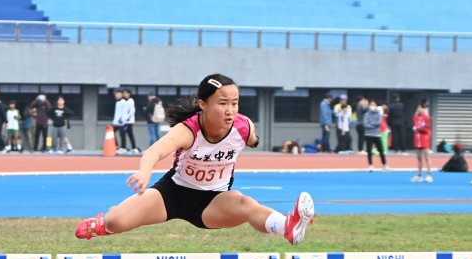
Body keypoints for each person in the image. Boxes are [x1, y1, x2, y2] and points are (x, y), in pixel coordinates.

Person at [74, 74, 314, 246]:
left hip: (214, 201)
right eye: (222, 104)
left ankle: (288, 227)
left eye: (234, 103)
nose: (230, 110)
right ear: (203, 105)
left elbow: (253, 140)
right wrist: (145, 172)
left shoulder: (244, 127)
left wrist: (253, 140)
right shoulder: (188, 130)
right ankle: (100, 224)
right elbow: (155, 151)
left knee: (245, 204)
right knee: (117, 220)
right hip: (172, 193)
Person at [362, 99, 388, 171]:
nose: (372, 106)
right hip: (368, 134)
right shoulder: (366, 114)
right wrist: (373, 125)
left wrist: (371, 124)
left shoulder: (379, 114)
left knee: (381, 150)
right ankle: (370, 165)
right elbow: (365, 124)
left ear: (376, 106)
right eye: (371, 105)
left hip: (377, 134)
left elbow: (378, 123)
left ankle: (384, 165)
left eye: (373, 105)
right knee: (369, 151)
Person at [411, 101, 433, 182]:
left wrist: (418, 128)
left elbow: (426, 129)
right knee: (419, 158)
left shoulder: (426, 117)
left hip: (424, 139)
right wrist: (415, 129)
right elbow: (415, 125)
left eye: (420, 108)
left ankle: (429, 175)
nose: (418, 109)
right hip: (417, 139)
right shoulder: (415, 117)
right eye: (417, 108)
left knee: (427, 157)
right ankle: (419, 175)